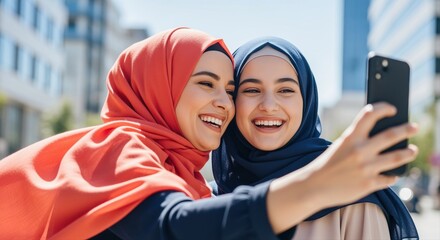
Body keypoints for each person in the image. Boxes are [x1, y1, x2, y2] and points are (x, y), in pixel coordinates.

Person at [0, 27, 418, 240]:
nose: (225, 101)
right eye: (205, 83)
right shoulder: (118, 148)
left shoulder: (189, 181)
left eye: (229, 89)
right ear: (159, 86)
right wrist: (317, 185)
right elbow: (171, 228)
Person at [212, 37, 419, 239]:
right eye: (251, 90)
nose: (268, 105)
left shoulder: (351, 196)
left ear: (306, 101)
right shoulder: (207, 197)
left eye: (285, 90)